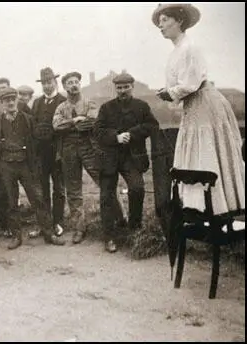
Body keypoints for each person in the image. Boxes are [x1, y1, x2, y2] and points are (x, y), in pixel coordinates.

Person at [152, 3, 245, 215]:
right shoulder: (176, 51)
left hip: (205, 102)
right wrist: (169, 91)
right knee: (197, 152)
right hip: (193, 105)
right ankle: (201, 209)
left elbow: (190, 84)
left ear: (180, 21)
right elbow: (181, 84)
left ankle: (221, 208)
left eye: (165, 20)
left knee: (208, 150)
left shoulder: (190, 47)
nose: (161, 25)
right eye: (159, 22)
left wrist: (170, 93)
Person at [53, 72, 126, 245]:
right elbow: (56, 125)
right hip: (68, 150)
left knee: (105, 183)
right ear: (64, 87)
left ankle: (121, 218)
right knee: (73, 189)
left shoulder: (90, 103)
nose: (73, 85)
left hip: (89, 148)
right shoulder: (61, 107)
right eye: (69, 83)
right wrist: (74, 121)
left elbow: (92, 122)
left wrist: (73, 123)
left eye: (76, 82)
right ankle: (79, 227)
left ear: (80, 84)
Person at [0, 87, 66, 250]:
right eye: (6, 100)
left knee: (37, 199)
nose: (10, 102)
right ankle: (16, 236)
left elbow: (36, 142)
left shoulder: (28, 119)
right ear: (2, 103)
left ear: (17, 100)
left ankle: (48, 233)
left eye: (12, 99)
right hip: (6, 165)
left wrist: (34, 162)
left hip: (25, 165)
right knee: (11, 202)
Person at [94, 72, 159, 253]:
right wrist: (116, 137)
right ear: (115, 88)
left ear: (132, 87)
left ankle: (134, 228)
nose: (122, 91)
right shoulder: (106, 108)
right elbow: (98, 131)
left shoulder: (142, 106)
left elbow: (153, 126)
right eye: (119, 87)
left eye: (126, 87)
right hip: (110, 157)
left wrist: (132, 133)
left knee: (137, 188)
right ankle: (109, 237)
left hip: (132, 158)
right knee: (106, 196)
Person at [30, 67, 67, 239]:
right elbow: (32, 126)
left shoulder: (63, 100)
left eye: (49, 82)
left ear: (55, 82)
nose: (47, 86)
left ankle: (58, 222)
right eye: (44, 83)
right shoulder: (37, 103)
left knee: (58, 189)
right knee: (42, 189)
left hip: (58, 152)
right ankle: (44, 224)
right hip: (41, 154)